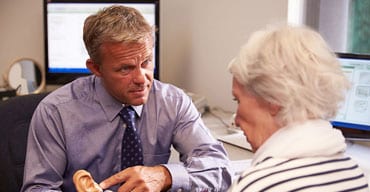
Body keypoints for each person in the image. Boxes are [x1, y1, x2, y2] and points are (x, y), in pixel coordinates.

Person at [21, 5, 233, 192]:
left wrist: (165, 175)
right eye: (125, 68)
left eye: (146, 62)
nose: (142, 79)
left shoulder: (173, 102)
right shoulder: (55, 112)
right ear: (96, 68)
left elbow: (220, 168)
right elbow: (39, 187)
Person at [227, 24, 370, 191]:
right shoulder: (356, 175)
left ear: (273, 100)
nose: (236, 120)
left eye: (238, 100)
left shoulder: (256, 185)